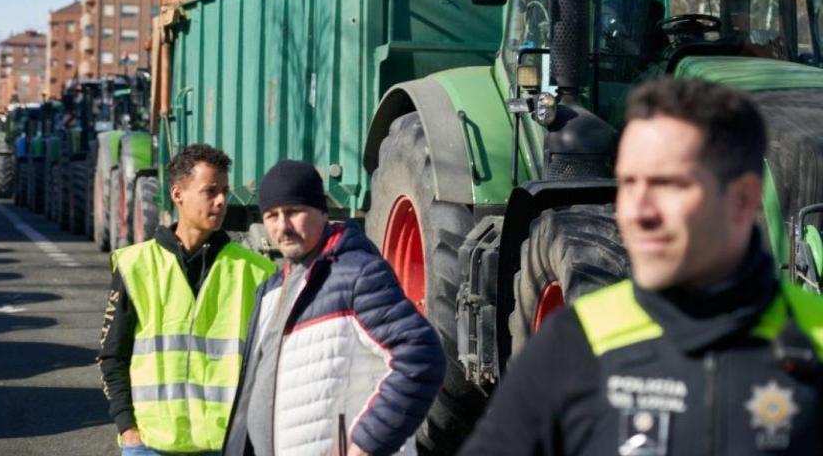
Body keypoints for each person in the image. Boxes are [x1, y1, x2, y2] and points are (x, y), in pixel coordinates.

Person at [458, 79, 823, 455]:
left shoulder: (816, 340)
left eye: (667, 185)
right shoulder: (575, 343)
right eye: (629, 184)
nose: (637, 212)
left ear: (744, 198)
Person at [223, 159, 445, 456]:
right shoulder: (272, 291)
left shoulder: (357, 274)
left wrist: (366, 446)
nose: (282, 226)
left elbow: (420, 355)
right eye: (272, 215)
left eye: (293, 212)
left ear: (322, 212)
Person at [98, 144, 275, 456]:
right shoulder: (135, 265)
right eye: (210, 191)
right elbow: (113, 356)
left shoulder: (257, 271)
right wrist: (128, 429)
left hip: (226, 445)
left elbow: (271, 364)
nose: (221, 201)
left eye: (224, 191)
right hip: (151, 445)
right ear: (178, 194)